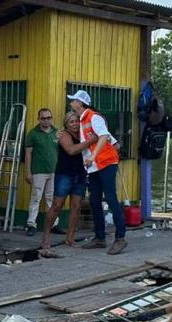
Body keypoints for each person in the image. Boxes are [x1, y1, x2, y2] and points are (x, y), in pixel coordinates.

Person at [67, 90, 128, 254]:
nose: (71, 103)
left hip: (105, 164)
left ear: (79, 103)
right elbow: (112, 142)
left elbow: (102, 136)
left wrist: (94, 155)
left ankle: (120, 238)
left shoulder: (94, 117)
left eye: (73, 100)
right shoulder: (82, 121)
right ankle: (100, 238)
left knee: (111, 199)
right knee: (94, 201)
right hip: (94, 166)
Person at [40, 112, 96, 249]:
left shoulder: (83, 133)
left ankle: (70, 238)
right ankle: (46, 236)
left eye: (77, 121)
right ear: (66, 124)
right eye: (71, 122)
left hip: (80, 174)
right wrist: (89, 141)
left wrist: (90, 139)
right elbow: (71, 150)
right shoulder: (64, 134)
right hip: (64, 174)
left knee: (76, 207)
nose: (75, 124)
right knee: (57, 205)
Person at [25, 108, 60, 237]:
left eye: (48, 118)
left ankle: (54, 224)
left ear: (52, 118)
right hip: (38, 171)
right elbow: (28, 153)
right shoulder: (33, 134)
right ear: (38, 119)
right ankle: (31, 224)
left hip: (54, 171)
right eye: (43, 118)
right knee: (36, 198)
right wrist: (28, 171)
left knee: (52, 199)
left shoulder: (57, 133)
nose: (46, 120)